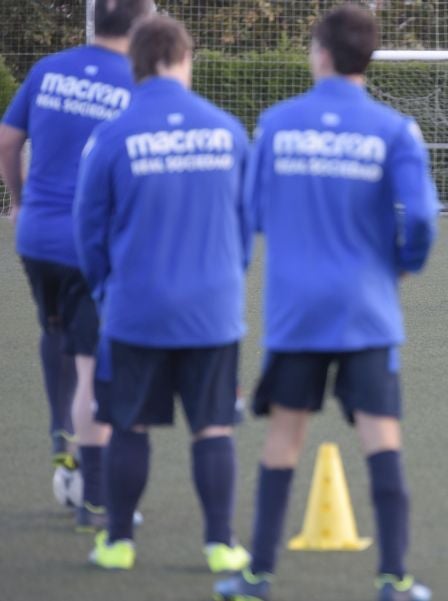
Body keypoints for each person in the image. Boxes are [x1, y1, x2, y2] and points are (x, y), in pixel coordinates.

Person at [213, 5, 438, 601]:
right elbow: (420, 217)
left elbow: (251, 213)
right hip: (367, 309)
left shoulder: (277, 124)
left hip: (296, 313)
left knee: (284, 439)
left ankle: (258, 576)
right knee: (381, 439)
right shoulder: (395, 129)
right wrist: (404, 263)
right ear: (369, 57)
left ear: (319, 52)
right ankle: (393, 578)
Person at [72, 15, 251, 573]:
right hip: (211, 312)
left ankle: (119, 543)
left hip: (136, 309)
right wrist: (225, 279)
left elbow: (88, 232)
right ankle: (220, 546)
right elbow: (245, 227)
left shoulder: (111, 134)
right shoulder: (228, 131)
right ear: (182, 59)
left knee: (129, 424)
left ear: (136, 62)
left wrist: (109, 290)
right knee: (214, 426)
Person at [0, 0, 154, 528]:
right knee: (96, 363)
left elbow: (7, 139)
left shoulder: (47, 68)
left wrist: (19, 202)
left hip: (37, 239)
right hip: (93, 245)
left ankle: (58, 435)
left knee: (57, 333)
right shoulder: (137, 82)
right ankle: (95, 495)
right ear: (140, 28)